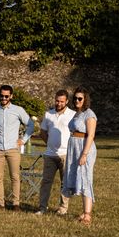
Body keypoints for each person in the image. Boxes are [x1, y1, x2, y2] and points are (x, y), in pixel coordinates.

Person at [0, 84, 34, 211]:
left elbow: (30, 125)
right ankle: (0, 204)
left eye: (6, 96)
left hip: (13, 149)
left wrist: (23, 140)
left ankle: (16, 204)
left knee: (15, 177)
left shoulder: (18, 110)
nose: (4, 98)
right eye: (2, 95)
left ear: (11, 96)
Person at [35, 90, 75, 215]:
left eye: (62, 101)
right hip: (50, 155)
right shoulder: (48, 114)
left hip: (65, 154)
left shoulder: (72, 115)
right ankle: (42, 207)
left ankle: (63, 208)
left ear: (67, 101)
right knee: (46, 182)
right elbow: (42, 132)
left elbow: (76, 133)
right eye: (57, 101)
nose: (59, 103)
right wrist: (49, 144)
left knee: (65, 183)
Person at [62, 87, 97, 226]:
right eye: (75, 98)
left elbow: (91, 135)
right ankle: (84, 211)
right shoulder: (77, 113)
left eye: (80, 98)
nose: (77, 100)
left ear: (85, 99)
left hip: (84, 147)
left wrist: (84, 154)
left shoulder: (89, 114)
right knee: (79, 178)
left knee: (85, 178)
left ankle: (87, 214)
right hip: (74, 147)